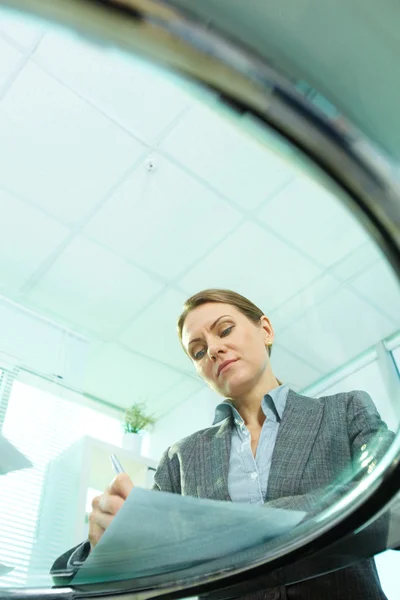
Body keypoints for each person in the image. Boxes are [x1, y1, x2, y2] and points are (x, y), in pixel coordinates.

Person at [51, 289, 394, 599]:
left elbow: (390, 504)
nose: (213, 350)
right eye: (198, 351)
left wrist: (215, 531)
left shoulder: (346, 411)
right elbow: (139, 566)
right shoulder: (181, 460)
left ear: (266, 330)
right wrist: (106, 545)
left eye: (225, 330)